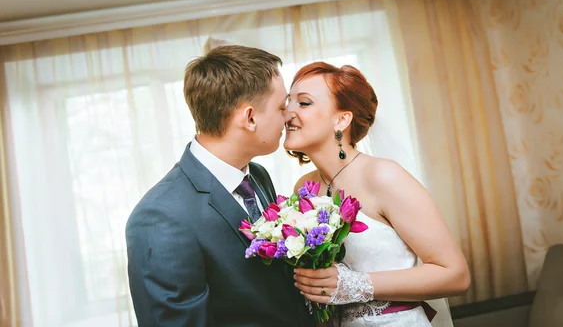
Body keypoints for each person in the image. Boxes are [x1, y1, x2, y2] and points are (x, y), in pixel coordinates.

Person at [126, 45, 315, 327]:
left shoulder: (258, 176)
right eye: (280, 107)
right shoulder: (160, 217)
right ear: (250, 117)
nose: (288, 116)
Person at [284, 62, 470, 326]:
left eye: (303, 103)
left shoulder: (383, 176)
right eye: (288, 102)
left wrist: (357, 284)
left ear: (341, 119)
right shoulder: (304, 188)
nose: (288, 112)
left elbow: (456, 275)